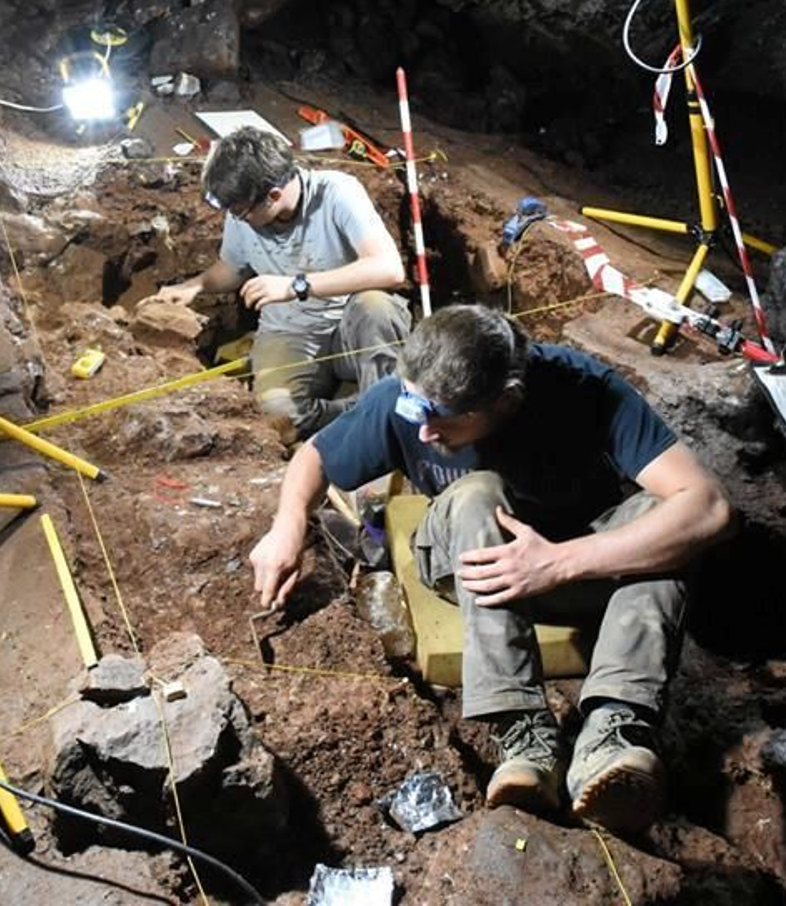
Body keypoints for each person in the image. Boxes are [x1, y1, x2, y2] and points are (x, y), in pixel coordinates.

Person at [247, 304, 734, 833]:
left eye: (439, 415)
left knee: (665, 521)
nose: (423, 431)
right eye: (413, 406)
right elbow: (315, 456)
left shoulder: (585, 388)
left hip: (575, 562)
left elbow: (709, 507)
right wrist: (287, 525)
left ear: (506, 399)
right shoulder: (404, 399)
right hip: (465, 557)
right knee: (477, 491)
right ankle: (522, 731)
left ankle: (613, 731)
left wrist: (559, 562)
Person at [153, 126, 410, 439]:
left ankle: (383, 421)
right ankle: (364, 409)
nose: (237, 218)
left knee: (376, 306)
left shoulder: (337, 192)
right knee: (279, 419)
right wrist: (195, 286)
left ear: (273, 197)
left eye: (241, 212)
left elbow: (389, 268)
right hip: (289, 332)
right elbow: (233, 268)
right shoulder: (244, 209)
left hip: (351, 327)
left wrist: (295, 286)